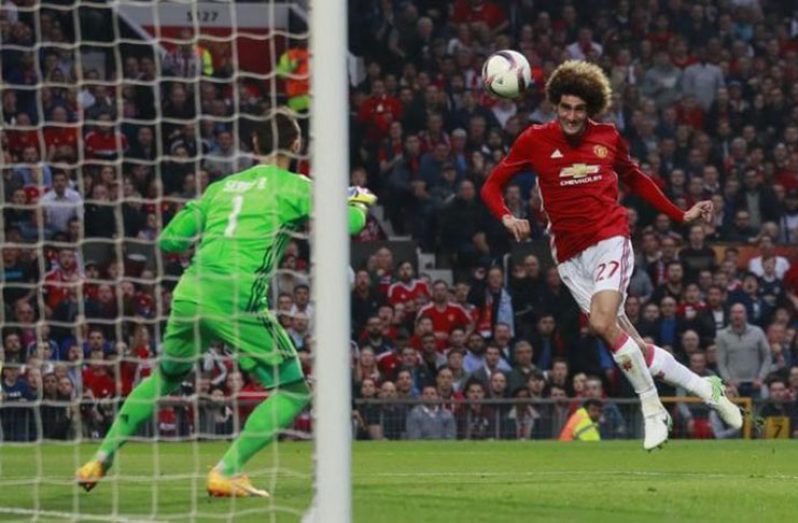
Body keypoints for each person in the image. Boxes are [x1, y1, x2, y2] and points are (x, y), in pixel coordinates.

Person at [76, 109, 376, 497]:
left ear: (254, 146)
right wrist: (358, 204)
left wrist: (198, 230)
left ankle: (99, 458)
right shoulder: (297, 186)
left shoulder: (222, 186)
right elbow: (347, 226)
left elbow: (169, 241)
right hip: (238, 295)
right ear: (297, 145)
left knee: (165, 377)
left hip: (191, 291)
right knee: (294, 390)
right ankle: (227, 470)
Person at [480, 60, 742, 451]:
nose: (571, 116)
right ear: (556, 106)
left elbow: (635, 178)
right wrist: (506, 216)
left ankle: (653, 410)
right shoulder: (534, 140)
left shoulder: (607, 137)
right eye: (565, 108)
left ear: (591, 110)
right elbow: (491, 186)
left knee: (603, 323)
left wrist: (679, 213)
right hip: (568, 256)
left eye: (579, 110)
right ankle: (707, 388)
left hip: (609, 237)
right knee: (631, 343)